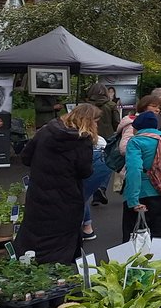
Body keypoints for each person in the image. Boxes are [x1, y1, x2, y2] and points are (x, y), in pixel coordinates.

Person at [13, 104, 98, 263]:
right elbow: (85, 171)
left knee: (35, 227)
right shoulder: (82, 141)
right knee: (61, 234)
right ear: (89, 121)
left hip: (39, 190)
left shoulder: (47, 130)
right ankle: (57, 269)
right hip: (67, 195)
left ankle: (27, 260)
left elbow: (26, 157)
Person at [121, 111, 161, 242]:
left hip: (142, 195)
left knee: (134, 238)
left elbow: (134, 170)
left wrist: (133, 200)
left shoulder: (136, 142)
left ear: (137, 127)